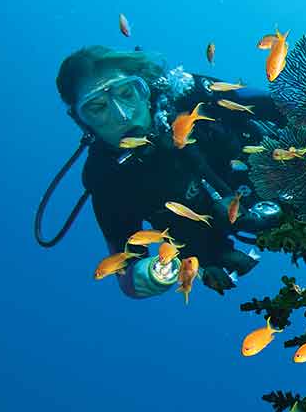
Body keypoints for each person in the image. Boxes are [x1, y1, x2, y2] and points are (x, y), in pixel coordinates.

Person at [54, 46, 287, 298]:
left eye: (126, 93)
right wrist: (146, 276)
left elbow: (277, 104)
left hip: (292, 176)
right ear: (81, 121)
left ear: (144, 88)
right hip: (213, 242)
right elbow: (124, 267)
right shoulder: (107, 178)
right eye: (97, 108)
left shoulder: (189, 94)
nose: (122, 115)